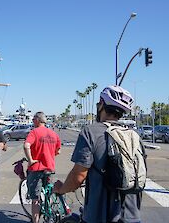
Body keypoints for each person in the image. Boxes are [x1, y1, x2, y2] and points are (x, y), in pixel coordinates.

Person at [53, 85, 142, 223]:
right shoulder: (133, 135)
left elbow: (78, 176)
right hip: (131, 216)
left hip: (98, 216)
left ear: (101, 105)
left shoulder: (90, 132)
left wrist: (61, 189)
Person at [24, 111, 61, 223]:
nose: (32, 121)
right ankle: (49, 211)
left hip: (36, 169)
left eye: (33, 119)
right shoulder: (53, 134)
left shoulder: (34, 132)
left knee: (35, 198)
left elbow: (26, 145)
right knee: (48, 192)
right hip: (49, 168)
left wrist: (30, 160)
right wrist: (49, 155)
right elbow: (58, 150)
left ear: (38, 120)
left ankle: (35, 221)